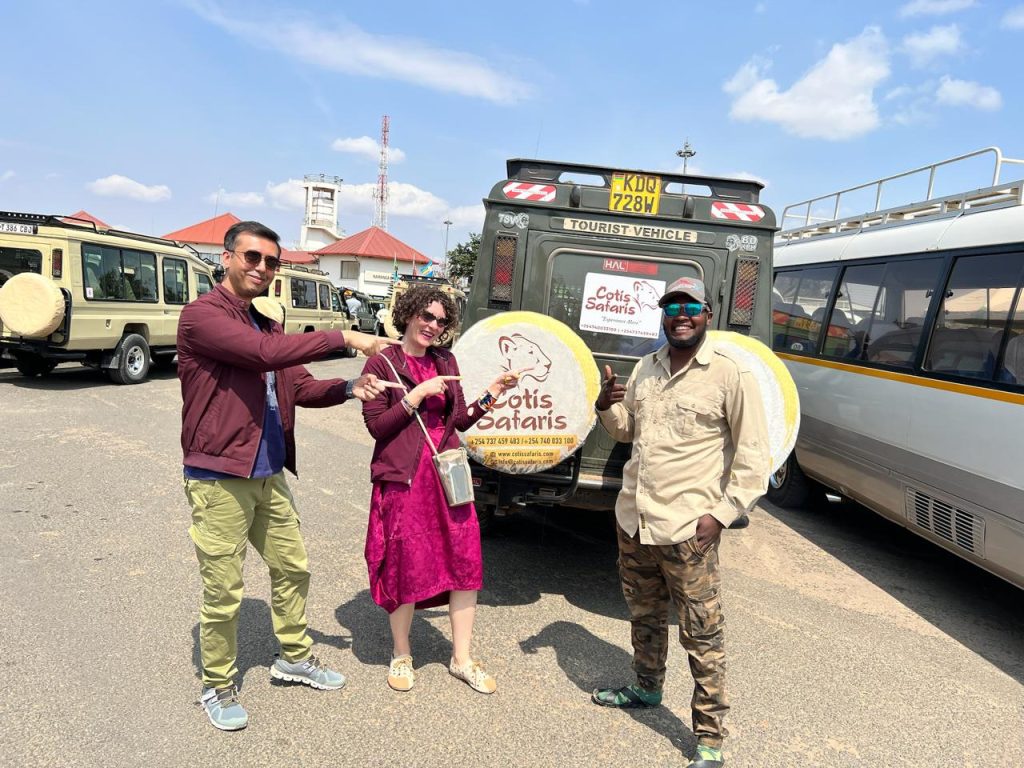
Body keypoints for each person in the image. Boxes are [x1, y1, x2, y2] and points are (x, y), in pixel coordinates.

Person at [177, 220, 394, 731]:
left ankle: (294, 657)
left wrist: (349, 388)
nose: (262, 268)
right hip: (220, 474)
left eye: (271, 261)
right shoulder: (202, 317)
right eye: (252, 257)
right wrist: (346, 337)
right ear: (227, 258)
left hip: (268, 471)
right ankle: (217, 682)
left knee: (293, 567)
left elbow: (298, 386)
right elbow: (261, 357)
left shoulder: (265, 324)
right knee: (224, 589)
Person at [590, 276, 770, 768]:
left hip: (690, 530)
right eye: (672, 307)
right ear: (664, 316)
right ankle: (647, 688)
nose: (681, 315)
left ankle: (709, 740)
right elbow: (629, 431)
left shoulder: (731, 375)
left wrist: (723, 515)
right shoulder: (645, 367)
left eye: (690, 306)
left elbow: (755, 457)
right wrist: (606, 406)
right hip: (636, 521)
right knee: (645, 615)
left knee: (702, 635)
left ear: (707, 314)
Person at [360, 285, 522, 695]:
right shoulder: (382, 363)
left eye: (441, 320)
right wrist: (415, 395)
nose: (433, 326)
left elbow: (461, 421)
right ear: (409, 314)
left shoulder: (445, 361)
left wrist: (493, 393)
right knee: (405, 564)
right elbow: (377, 427)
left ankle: (462, 659)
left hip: (447, 479)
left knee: (465, 564)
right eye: (427, 316)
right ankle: (401, 653)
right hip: (405, 483)